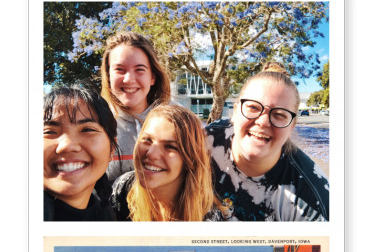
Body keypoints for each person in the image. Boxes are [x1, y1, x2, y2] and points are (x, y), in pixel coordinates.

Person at [206, 62, 329, 221]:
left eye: (279, 114)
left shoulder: (311, 199)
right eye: (253, 108)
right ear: (235, 111)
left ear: (292, 126)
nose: (263, 122)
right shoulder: (203, 141)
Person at [111, 105, 226, 221]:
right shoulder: (122, 189)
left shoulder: (210, 219)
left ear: (190, 159)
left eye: (170, 146)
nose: (152, 153)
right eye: (147, 140)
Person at [100, 31, 171, 182]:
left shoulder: (176, 122)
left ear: (152, 77)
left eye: (139, 69)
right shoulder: (95, 124)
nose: (129, 79)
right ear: (108, 75)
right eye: (120, 69)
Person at [44, 84, 119, 221]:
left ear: (111, 149)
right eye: (50, 132)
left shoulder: (107, 216)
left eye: (87, 130)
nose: (67, 146)